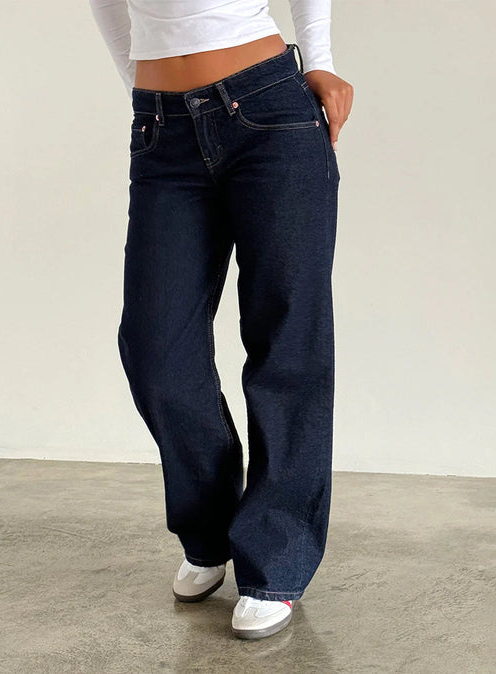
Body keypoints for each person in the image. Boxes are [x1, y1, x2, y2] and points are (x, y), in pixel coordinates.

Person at [89, 0, 353, 640]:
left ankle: (277, 557)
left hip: (268, 109)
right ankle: (210, 530)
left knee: (286, 338)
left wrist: (319, 59)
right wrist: (147, 93)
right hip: (162, 129)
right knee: (155, 348)